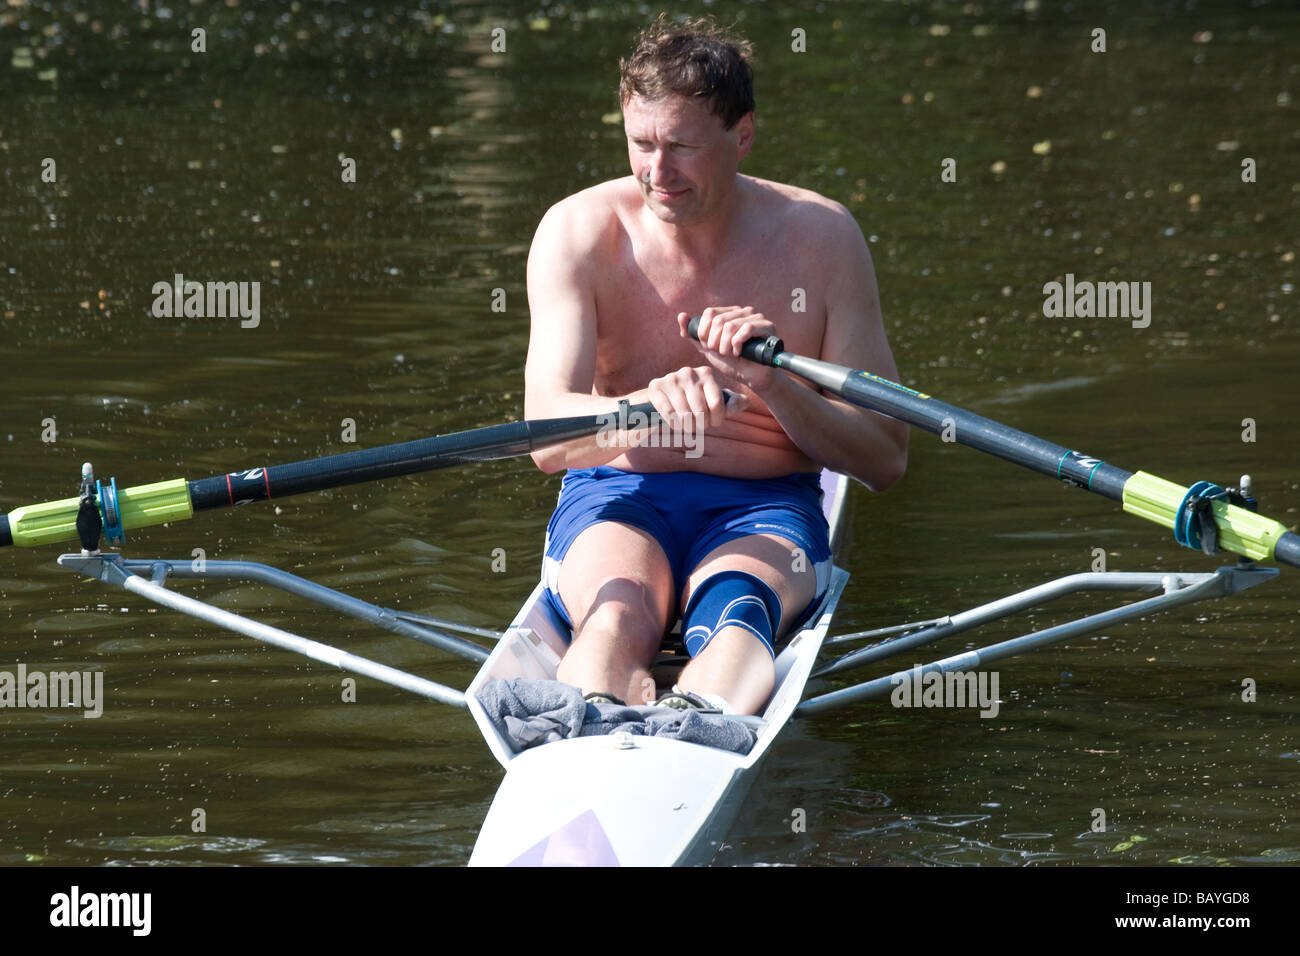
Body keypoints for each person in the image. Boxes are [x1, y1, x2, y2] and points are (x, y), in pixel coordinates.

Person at [523, 14, 907, 715]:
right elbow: (546, 437)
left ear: (744, 135)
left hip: (763, 505)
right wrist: (640, 411)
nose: (656, 173)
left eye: (682, 148)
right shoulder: (580, 232)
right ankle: (577, 734)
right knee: (616, 619)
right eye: (641, 144)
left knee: (735, 618)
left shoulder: (823, 238)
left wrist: (774, 384)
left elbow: (885, 457)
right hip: (619, 495)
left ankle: (701, 730)